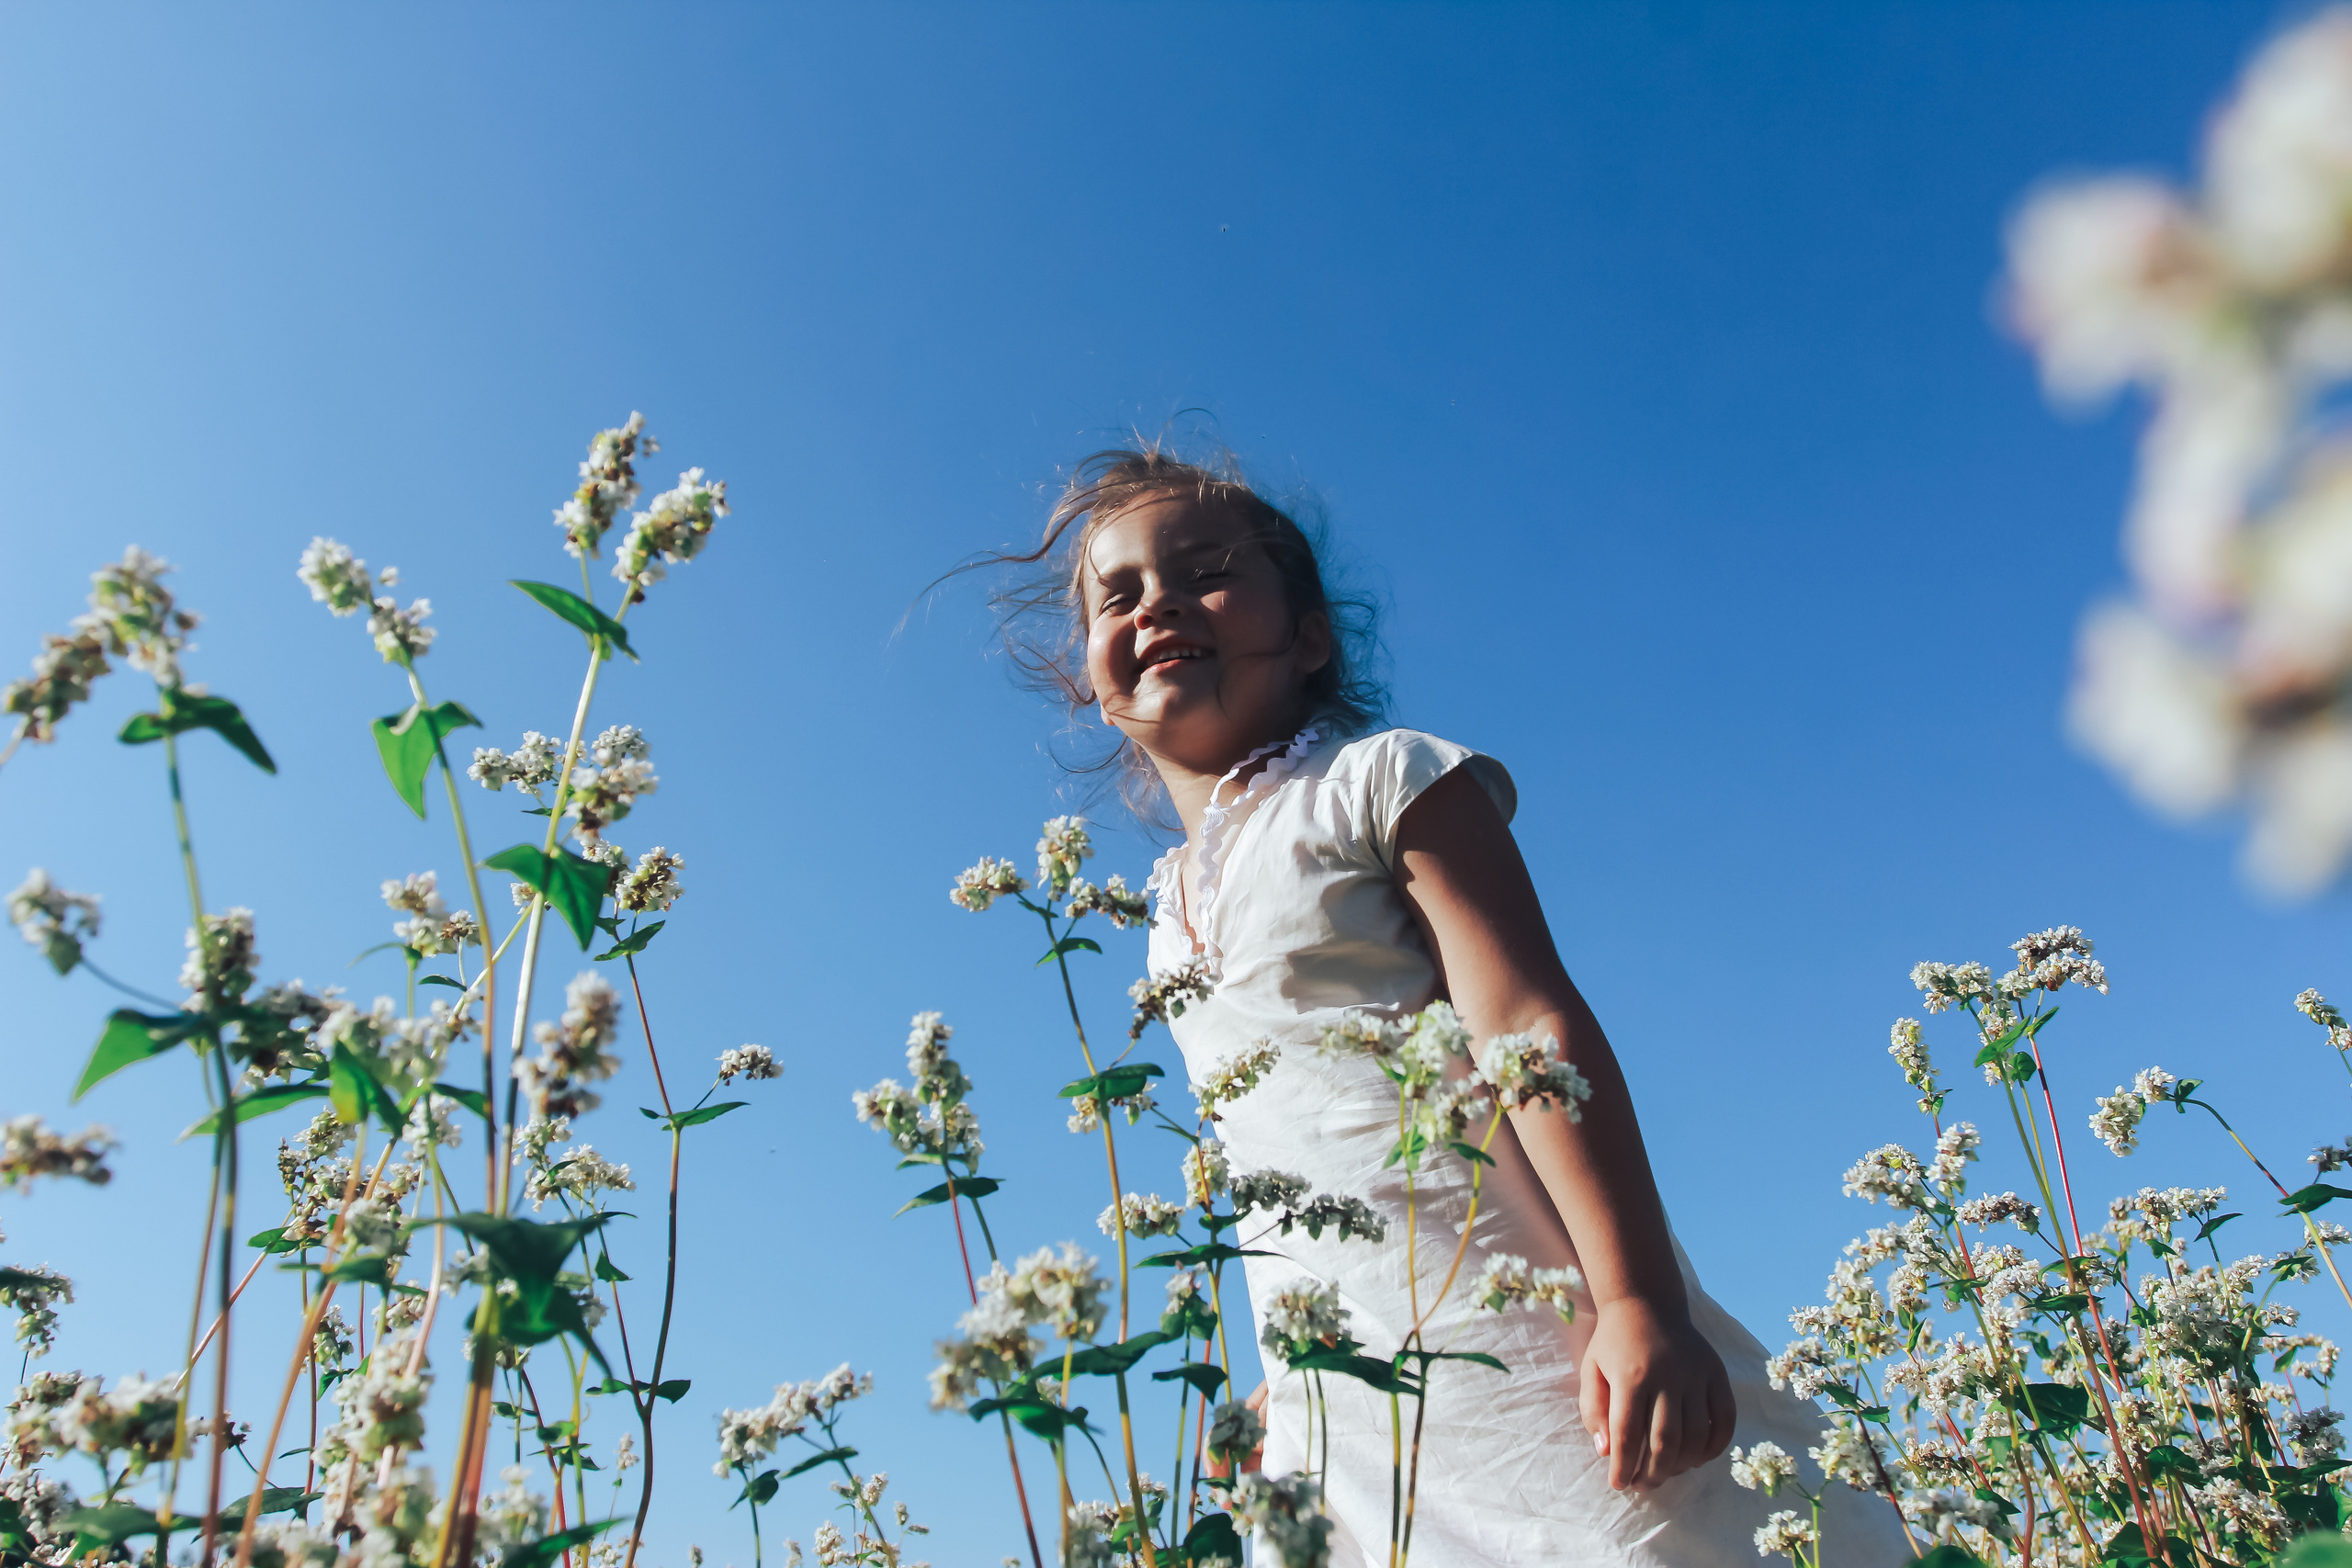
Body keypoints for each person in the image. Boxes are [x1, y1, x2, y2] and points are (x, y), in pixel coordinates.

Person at [990, 446, 1910, 1565]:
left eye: (1207, 571)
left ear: (1312, 634)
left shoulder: (1383, 780)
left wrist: (1636, 1304)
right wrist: (1279, 1387)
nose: (1161, 603)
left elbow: (1530, 1024)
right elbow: (1259, 1161)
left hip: (1523, 1337)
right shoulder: (1161, 910)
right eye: (1117, 595)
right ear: (1089, 675)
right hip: (1345, 1395)